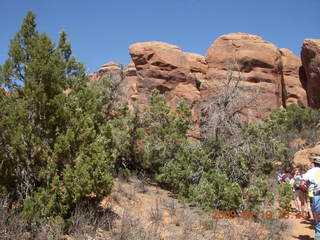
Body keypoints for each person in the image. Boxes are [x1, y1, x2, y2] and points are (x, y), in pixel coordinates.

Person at [302, 155, 320, 240]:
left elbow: (302, 181)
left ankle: (318, 235)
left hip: (315, 195)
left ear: (314, 163)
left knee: (317, 216)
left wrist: (307, 186)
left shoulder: (310, 171)